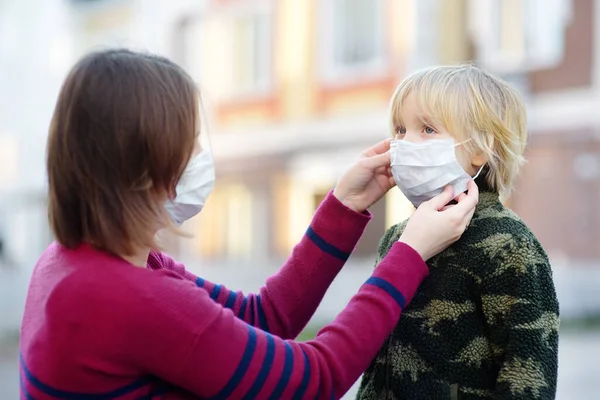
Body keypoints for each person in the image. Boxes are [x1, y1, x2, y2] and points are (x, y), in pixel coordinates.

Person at [19, 49, 478, 400]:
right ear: (142, 162)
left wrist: (343, 205)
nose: (201, 154)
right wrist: (408, 256)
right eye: (190, 139)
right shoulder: (127, 298)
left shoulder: (77, 262)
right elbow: (315, 378)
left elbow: (265, 319)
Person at [356, 65, 559, 400]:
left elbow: (527, 370)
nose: (405, 143)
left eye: (428, 129)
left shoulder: (508, 244)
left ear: (480, 148)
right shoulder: (396, 239)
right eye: (401, 129)